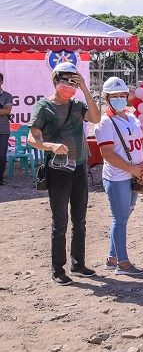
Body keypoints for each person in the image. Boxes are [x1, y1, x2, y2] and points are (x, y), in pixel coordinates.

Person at [28, 63, 101, 285]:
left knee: (80, 219)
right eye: (66, 80)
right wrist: (50, 146)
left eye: (74, 81)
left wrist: (86, 89)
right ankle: (57, 269)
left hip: (79, 167)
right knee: (60, 220)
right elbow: (32, 139)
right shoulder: (43, 107)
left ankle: (78, 264)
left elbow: (96, 118)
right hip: (58, 169)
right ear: (55, 81)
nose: (70, 85)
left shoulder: (78, 105)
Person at [94, 77, 143, 275]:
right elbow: (107, 154)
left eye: (122, 95)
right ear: (106, 98)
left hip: (134, 174)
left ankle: (112, 257)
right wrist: (131, 168)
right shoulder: (104, 123)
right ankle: (123, 264)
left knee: (124, 216)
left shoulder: (132, 117)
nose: (119, 99)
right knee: (120, 218)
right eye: (114, 96)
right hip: (117, 176)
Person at [0, 72, 13, 186]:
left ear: (1, 81)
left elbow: (7, 111)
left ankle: (0, 178)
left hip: (3, 130)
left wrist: (4, 110)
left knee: (2, 155)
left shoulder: (7, 96)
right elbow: (3, 110)